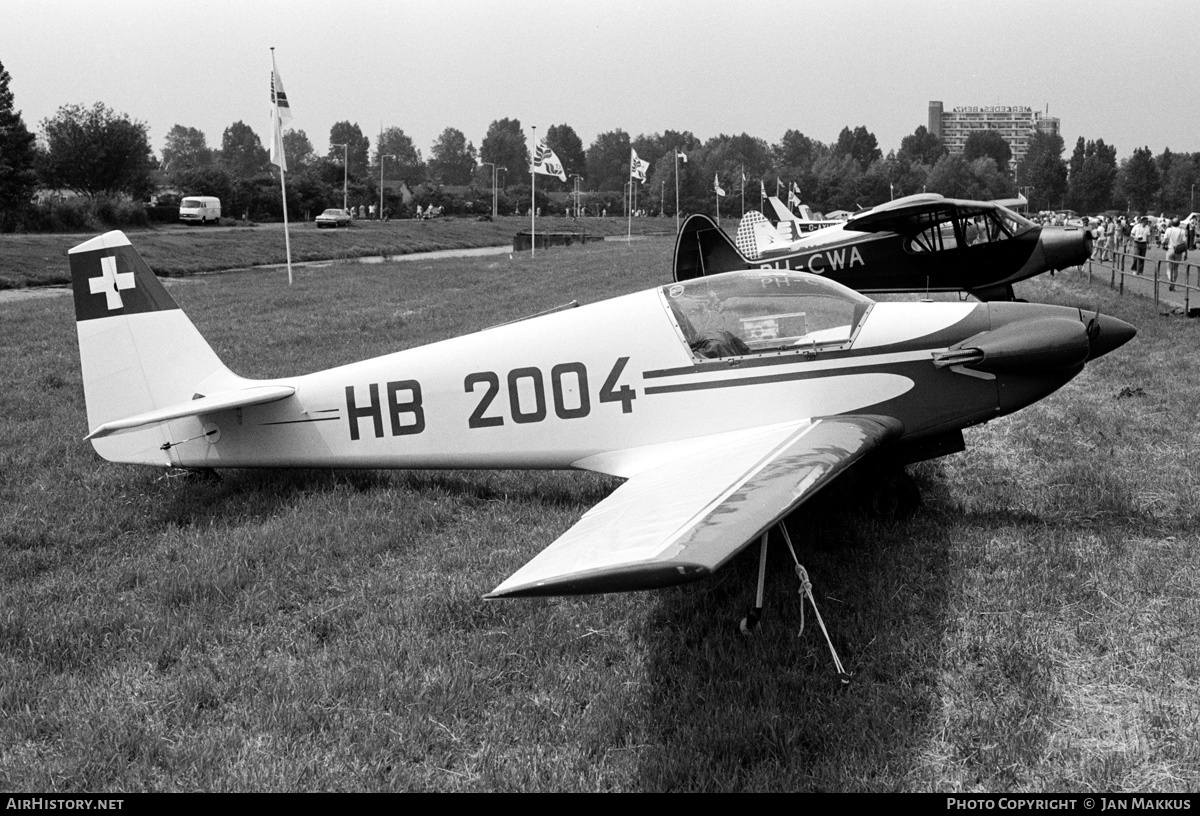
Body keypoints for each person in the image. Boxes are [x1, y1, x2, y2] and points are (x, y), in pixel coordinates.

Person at [1162, 218, 1188, 291]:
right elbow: (1185, 243)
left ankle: (1171, 281)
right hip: (1179, 251)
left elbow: (1165, 240)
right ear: (1179, 224)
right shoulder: (1182, 231)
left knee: (1168, 268)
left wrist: (1163, 244)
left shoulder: (1168, 230)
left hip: (1170, 249)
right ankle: (1173, 285)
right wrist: (1186, 254)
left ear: (1172, 223)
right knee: (1175, 268)